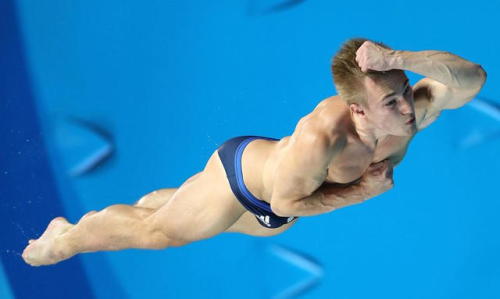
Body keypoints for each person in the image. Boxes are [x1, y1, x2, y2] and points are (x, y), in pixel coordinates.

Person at [22, 38, 486, 266]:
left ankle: (165, 201)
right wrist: (363, 192)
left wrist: (399, 60)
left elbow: (472, 80)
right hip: (245, 185)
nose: (407, 107)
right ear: (357, 111)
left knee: (171, 210)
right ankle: (66, 237)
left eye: (405, 92)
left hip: (280, 210)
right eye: (390, 101)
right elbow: (285, 203)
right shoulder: (322, 138)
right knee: (159, 233)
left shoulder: (411, 112)